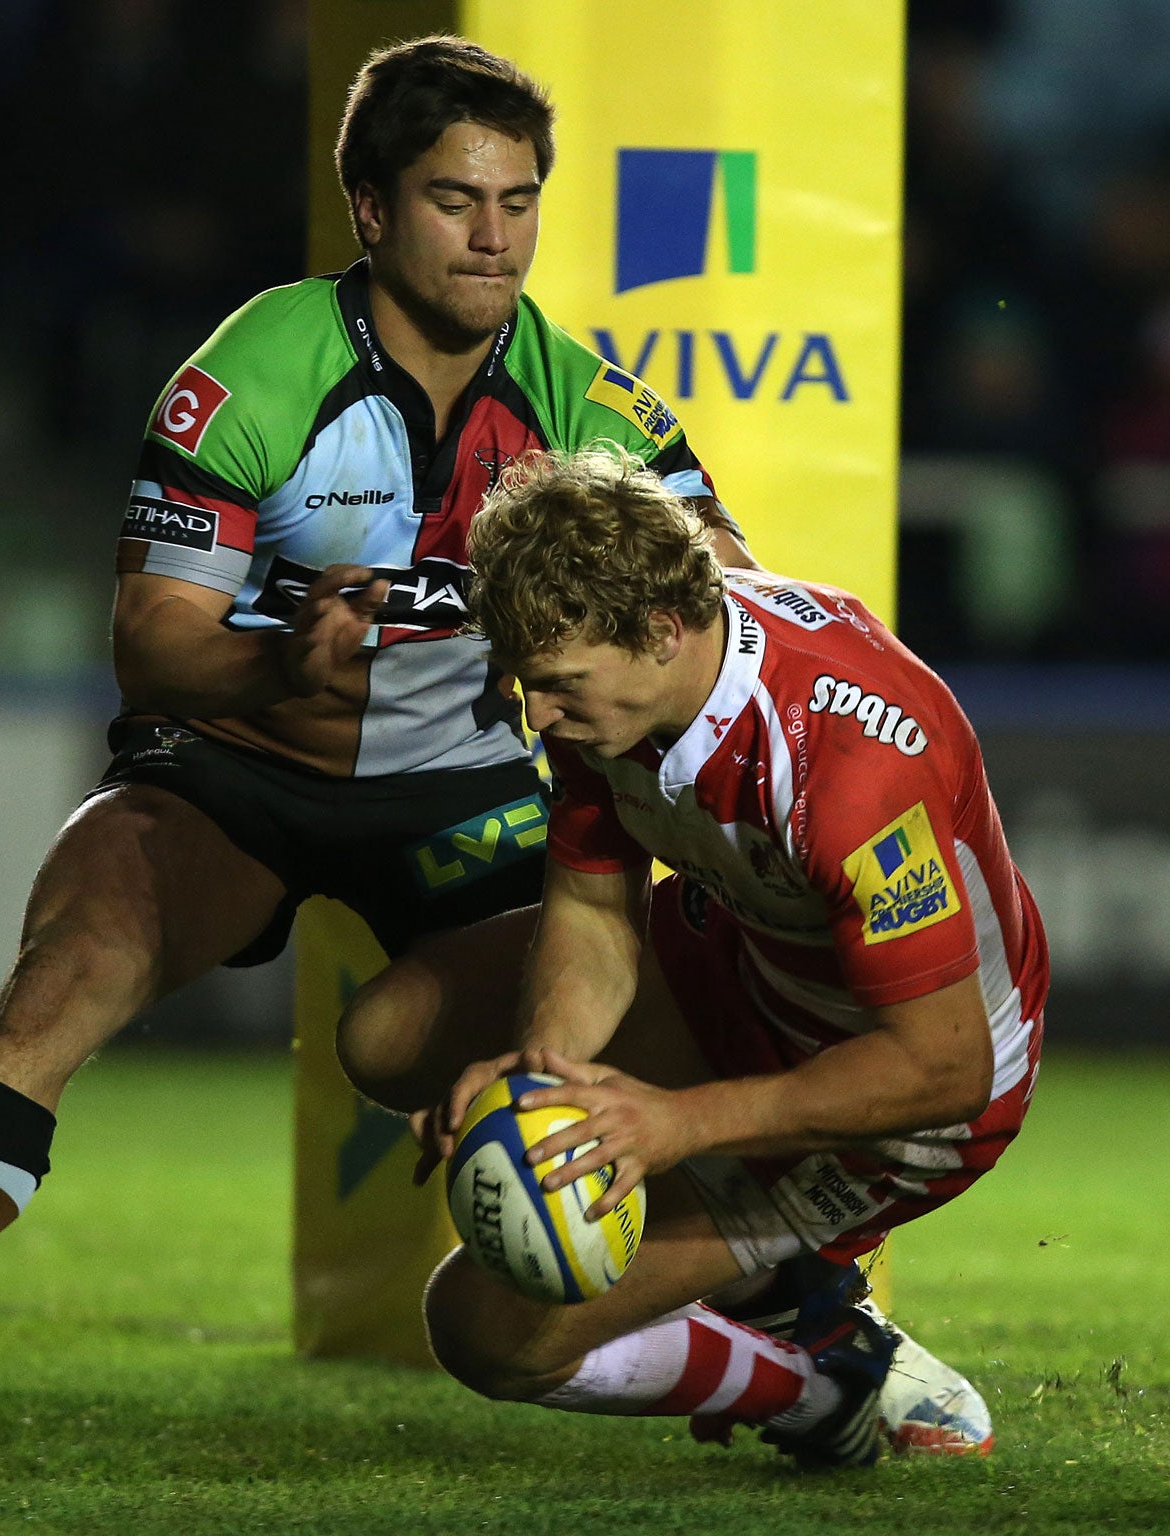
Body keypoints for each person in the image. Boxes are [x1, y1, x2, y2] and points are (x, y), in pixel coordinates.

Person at [0, 36, 752, 1453]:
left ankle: (809, 1333)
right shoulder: (253, 374)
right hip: (242, 775)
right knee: (67, 973)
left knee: (483, 1052)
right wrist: (282, 655)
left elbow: (724, 594)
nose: (495, 235)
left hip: (472, 798)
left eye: (519, 202)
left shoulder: (590, 405)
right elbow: (152, 639)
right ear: (374, 208)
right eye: (458, 199)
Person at [340, 447, 1048, 1466]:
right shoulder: (616, 670)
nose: (536, 716)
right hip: (746, 966)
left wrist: (675, 1124)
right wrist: (549, 1075)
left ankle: (822, 1383)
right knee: (386, 1031)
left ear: (662, 633)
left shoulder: (851, 773)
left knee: (484, 1339)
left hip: (904, 1109)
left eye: (557, 687)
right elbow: (593, 903)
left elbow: (943, 1068)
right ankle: (777, 1292)